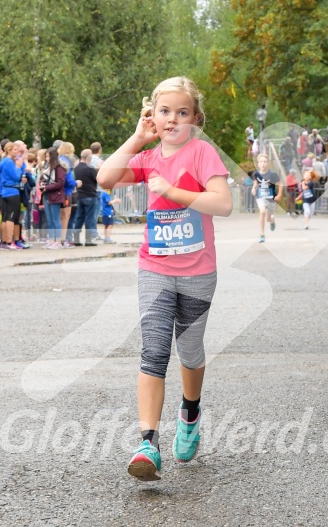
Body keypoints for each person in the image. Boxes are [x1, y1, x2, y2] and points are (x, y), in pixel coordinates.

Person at [97, 76, 232, 481]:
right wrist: (137, 139)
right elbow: (104, 178)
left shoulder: (202, 153)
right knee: (153, 351)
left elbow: (222, 203)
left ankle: (190, 411)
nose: (173, 119)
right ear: (152, 116)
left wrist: (173, 192)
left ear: (195, 119)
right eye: (164, 111)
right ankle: (147, 443)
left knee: (189, 353)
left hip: (197, 272)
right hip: (154, 268)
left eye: (182, 112)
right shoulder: (148, 157)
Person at [39, 147, 67, 249]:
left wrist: (46, 187)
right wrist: (42, 183)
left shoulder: (59, 168)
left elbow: (60, 183)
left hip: (55, 195)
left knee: (55, 219)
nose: (46, 158)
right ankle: (51, 239)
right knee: (49, 219)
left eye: (48, 156)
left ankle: (58, 240)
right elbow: (42, 177)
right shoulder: (47, 167)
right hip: (46, 194)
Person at [251, 153, 282, 243]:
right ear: (258, 164)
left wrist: (279, 195)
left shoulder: (272, 174)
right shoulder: (256, 173)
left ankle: (272, 220)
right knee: (262, 211)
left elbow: (280, 184)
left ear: (268, 163)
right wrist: (253, 188)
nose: (263, 163)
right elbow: (256, 182)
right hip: (260, 196)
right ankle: (262, 235)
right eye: (261, 162)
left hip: (271, 198)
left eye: (265, 161)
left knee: (268, 218)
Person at [73, 149, 99, 246]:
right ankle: (88, 240)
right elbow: (97, 179)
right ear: (89, 157)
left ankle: (76, 239)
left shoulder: (76, 167)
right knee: (89, 218)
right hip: (90, 195)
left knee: (79, 217)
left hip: (79, 195)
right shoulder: (90, 168)